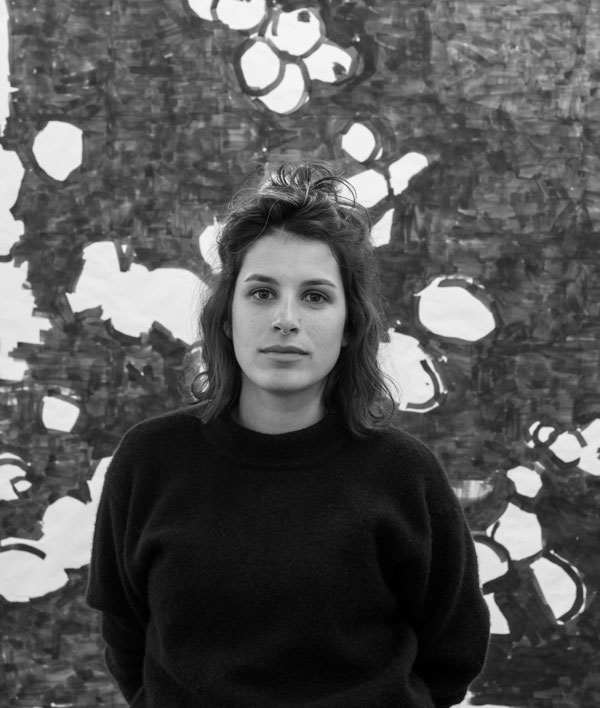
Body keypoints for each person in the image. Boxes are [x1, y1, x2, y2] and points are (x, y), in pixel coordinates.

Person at [86, 162, 490, 708]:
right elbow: (125, 636)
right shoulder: (151, 460)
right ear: (225, 316)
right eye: (261, 293)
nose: (285, 319)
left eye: (315, 297)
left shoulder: (405, 474)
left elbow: (453, 653)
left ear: (349, 327)